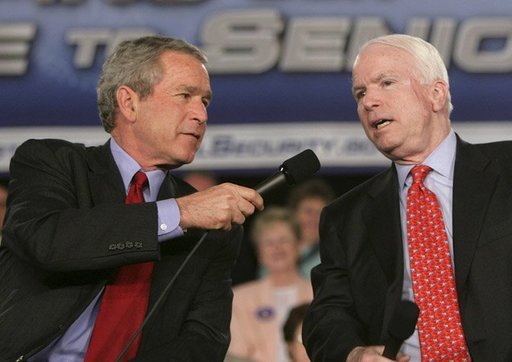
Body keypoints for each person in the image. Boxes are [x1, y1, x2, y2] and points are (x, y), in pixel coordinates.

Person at [0, 36, 264, 361]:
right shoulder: (51, 161)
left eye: (205, 102)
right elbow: (47, 241)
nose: (201, 115)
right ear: (129, 102)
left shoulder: (214, 226)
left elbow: (204, 340)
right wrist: (177, 215)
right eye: (185, 96)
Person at [302, 33, 512, 362]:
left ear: (436, 94)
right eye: (360, 93)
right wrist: (355, 354)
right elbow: (326, 317)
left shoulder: (509, 169)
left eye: (386, 82)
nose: (368, 101)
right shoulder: (346, 218)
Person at [226, 207, 313, 362]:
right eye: (269, 242)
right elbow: (235, 356)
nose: (277, 248)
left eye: (283, 240)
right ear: (259, 252)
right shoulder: (239, 299)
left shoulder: (318, 293)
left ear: (298, 246)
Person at [286, 179, 334, 279]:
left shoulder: (335, 257)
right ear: (293, 213)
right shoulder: (275, 250)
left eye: (320, 213)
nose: (314, 219)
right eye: (308, 211)